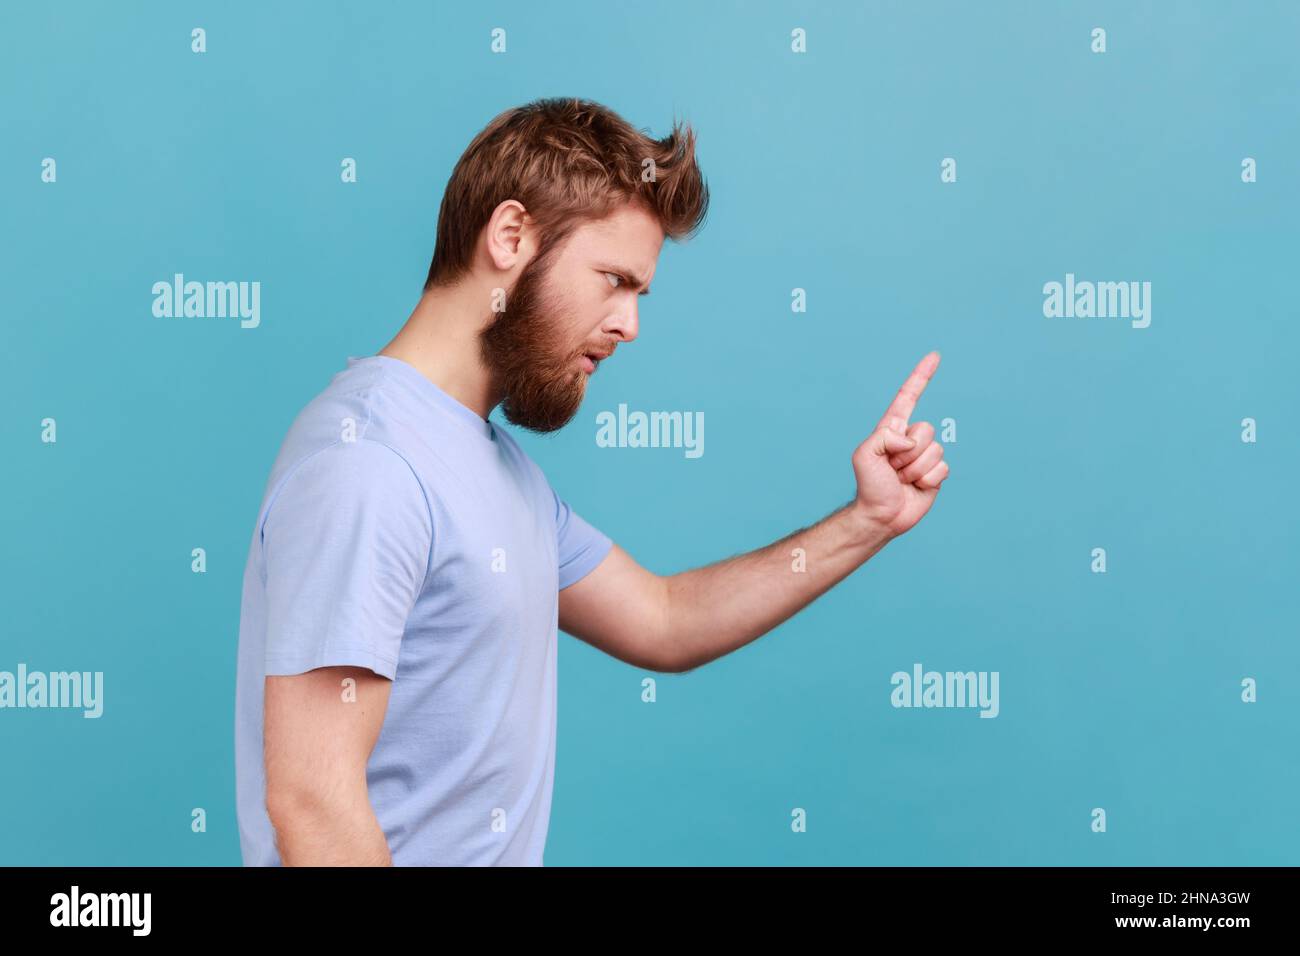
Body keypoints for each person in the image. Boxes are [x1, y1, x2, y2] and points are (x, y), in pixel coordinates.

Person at [234, 96, 950, 866]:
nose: (629, 325)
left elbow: (665, 620)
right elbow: (313, 802)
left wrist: (867, 519)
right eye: (614, 279)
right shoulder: (370, 463)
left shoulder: (494, 467)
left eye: (639, 293)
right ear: (510, 238)